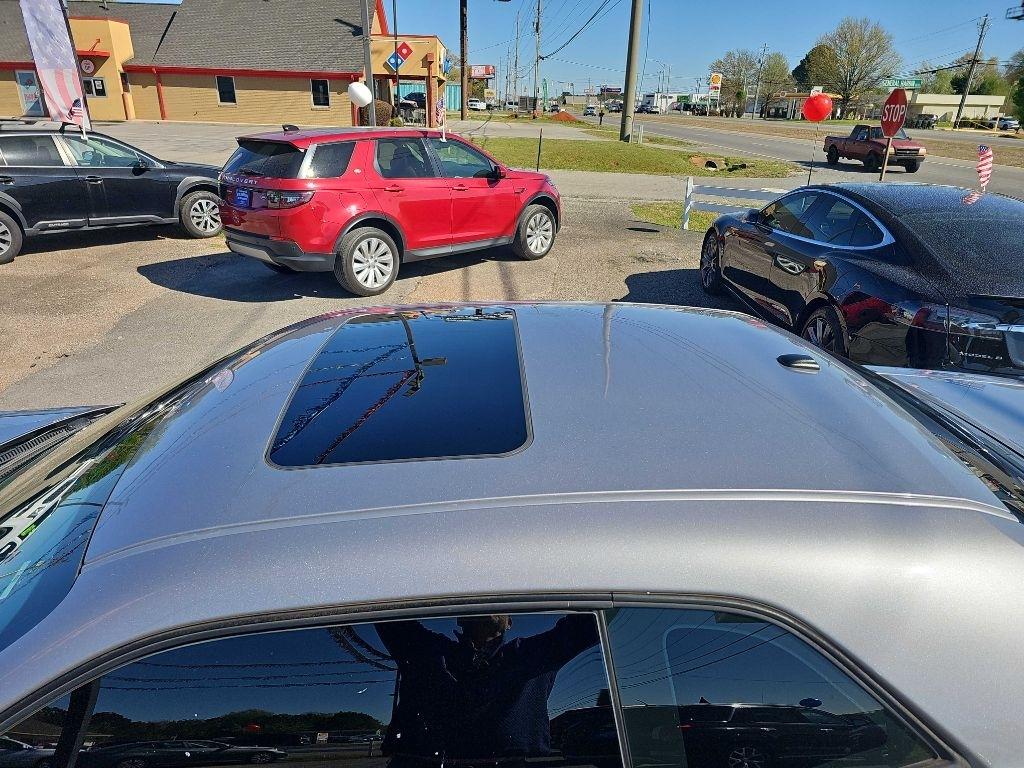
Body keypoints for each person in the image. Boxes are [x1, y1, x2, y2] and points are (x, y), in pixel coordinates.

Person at [375, 614, 598, 767]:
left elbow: (592, 622)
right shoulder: (425, 651)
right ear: (460, 617)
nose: (490, 603)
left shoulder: (533, 654)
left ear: (509, 623)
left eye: (499, 601)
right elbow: (386, 610)